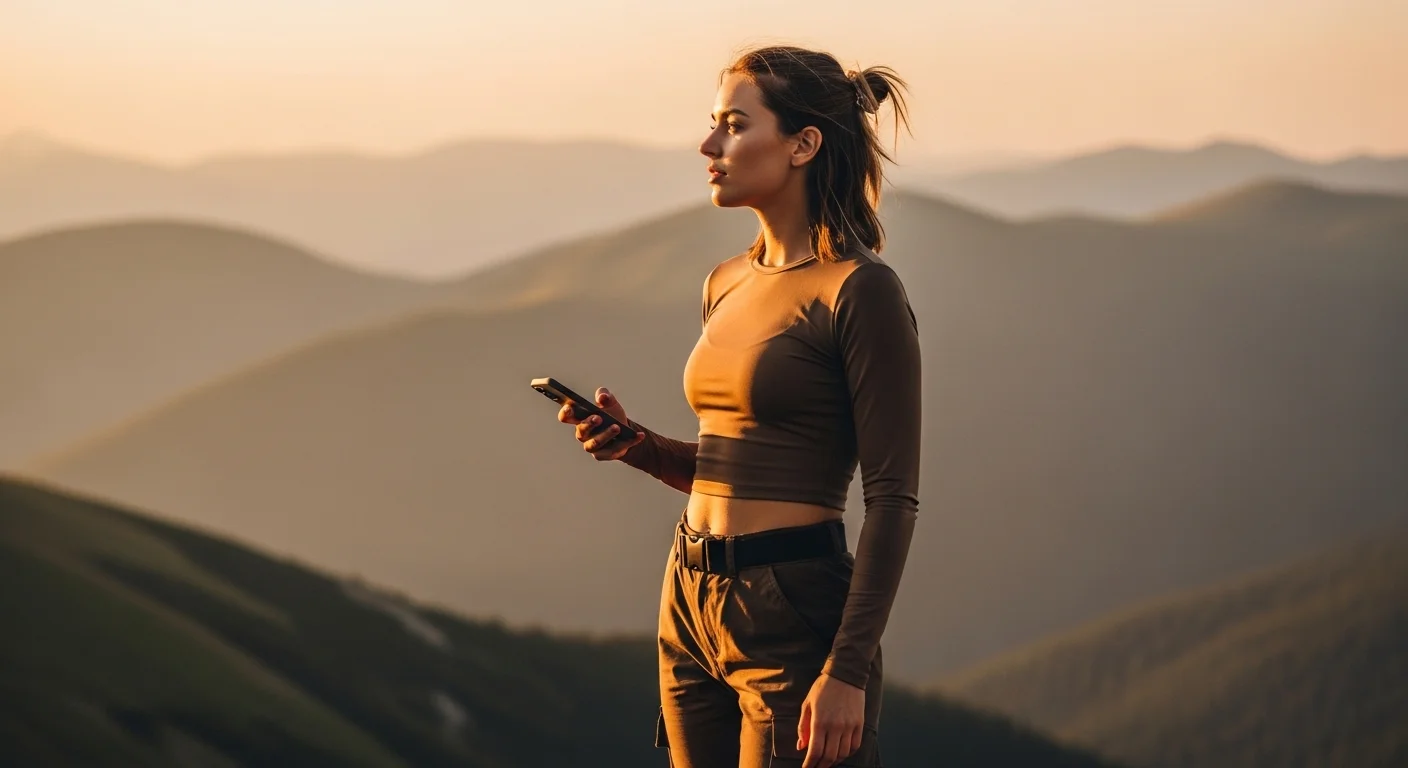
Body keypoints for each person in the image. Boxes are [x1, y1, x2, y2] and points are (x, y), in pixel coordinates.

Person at [555, 44, 921, 768]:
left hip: (794, 608)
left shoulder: (859, 291)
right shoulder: (725, 281)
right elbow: (743, 463)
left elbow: (892, 498)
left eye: (733, 125)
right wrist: (642, 448)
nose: (708, 145)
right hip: (688, 595)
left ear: (802, 145)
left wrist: (847, 669)